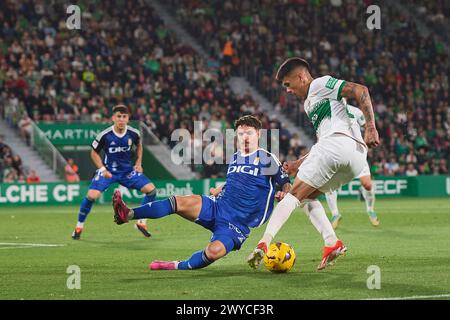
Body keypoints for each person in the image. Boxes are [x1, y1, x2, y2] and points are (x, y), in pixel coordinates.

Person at [247, 57, 380, 271]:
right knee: (307, 198)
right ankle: (331, 243)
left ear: (301, 77)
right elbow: (323, 142)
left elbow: (360, 90)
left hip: (339, 146)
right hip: (355, 158)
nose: (288, 91)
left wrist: (371, 126)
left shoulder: (319, 84)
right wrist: (298, 163)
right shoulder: (310, 104)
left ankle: (264, 242)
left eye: (288, 85)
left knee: (292, 196)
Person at [112, 115, 291, 270]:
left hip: (237, 224)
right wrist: (220, 189)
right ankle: (128, 214)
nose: (245, 137)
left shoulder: (267, 158)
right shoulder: (235, 156)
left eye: (249, 133)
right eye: (241, 133)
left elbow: (285, 182)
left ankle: (176, 265)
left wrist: (284, 193)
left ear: (258, 134)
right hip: (217, 206)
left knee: (214, 252)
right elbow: (236, 182)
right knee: (178, 201)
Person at [71, 104, 156, 240]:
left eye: (124, 117)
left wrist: (138, 163)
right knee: (92, 196)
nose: (121, 119)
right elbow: (93, 152)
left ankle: (141, 223)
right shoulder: (105, 135)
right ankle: (78, 226)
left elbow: (139, 146)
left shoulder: (134, 133)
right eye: (119, 117)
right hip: (108, 171)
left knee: (151, 191)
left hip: (127, 171)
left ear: (128, 118)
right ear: (113, 118)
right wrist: (102, 169)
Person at [325, 104, 380, 229]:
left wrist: (368, 138)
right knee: (329, 184)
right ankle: (335, 214)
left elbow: (367, 126)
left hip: (357, 152)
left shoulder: (355, 111)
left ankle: (370, 210)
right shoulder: (327, 111)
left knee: (367, 184)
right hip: (337, 153)